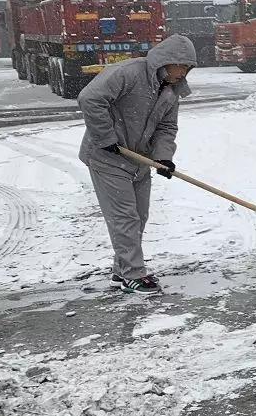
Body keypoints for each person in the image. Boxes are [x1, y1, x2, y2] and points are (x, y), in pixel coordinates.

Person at [77, 34, 198, 295]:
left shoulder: (171, 90)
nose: (185, 73)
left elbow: (167, 127)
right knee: (125, 218)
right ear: (169, 60)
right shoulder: (129, 73)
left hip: (138, 160)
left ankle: (122, 272)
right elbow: (90, 99)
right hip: (107, 158)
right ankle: (133, 274)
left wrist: (163, 157)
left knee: (139, 217)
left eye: (189, 68)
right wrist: (106, 138)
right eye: (184, 66)